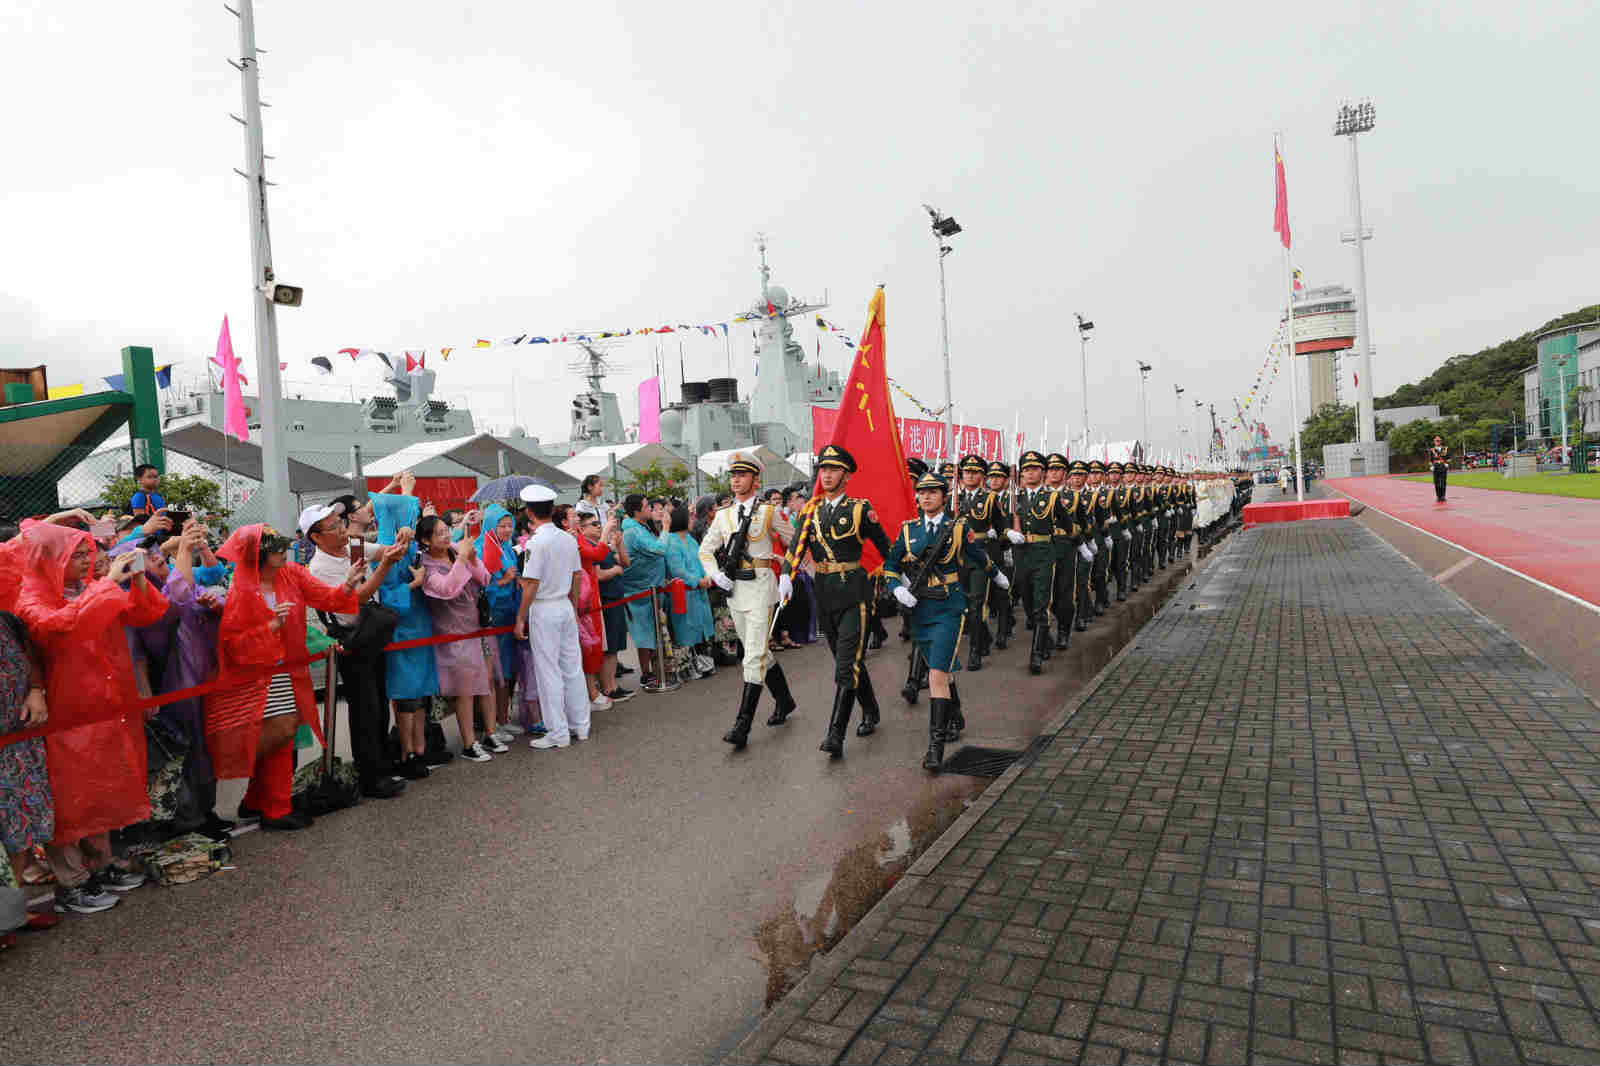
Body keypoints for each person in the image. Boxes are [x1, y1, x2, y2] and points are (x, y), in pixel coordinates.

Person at [17, 523, 169, 908]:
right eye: (78, 555)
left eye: (88, 553)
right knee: (68, 799)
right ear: (51, 559)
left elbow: (147, 612)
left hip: (105, 704)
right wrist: (105, 585)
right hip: (64, 712)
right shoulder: (31, 595)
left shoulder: (88, 586)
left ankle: (100, 864)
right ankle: (71, 880)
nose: (88, 561)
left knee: (103, 789)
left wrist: (135, 581)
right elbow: (58, 625)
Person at [205, 524, 365, 830]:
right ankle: (263, 799)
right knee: (282, 731)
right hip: (255, 673)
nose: (283, 551)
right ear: (258, 554)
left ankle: (265, 803)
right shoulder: (242, 589)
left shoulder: (292, 573)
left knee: (283, 735)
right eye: (276, 547)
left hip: (284, 668)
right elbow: (233, 644)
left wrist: (347, 585)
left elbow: (327, 598)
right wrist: (271, 628)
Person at [782, 444, 892, 756]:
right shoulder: (811, 510)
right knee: (849, 660)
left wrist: (901, 580)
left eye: (833, 470)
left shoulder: (859, 509)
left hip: (854, 592)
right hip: (824, 592)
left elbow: (886, 547)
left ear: (846, 475)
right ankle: (870, 709)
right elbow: (795, 548)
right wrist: (784, 578)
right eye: (823, 470)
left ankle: (835, 734)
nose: (826, 475)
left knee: (846, 664)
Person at [884, 472, 999, 771]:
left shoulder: (958, 528)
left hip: (949, 606)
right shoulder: (908, 530)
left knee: (935, 673)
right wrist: (896, 587)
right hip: (920, 608)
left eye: (933, 492)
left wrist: (996, 574)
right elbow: (891, 565)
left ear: (944, 497)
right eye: (921, 493)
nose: (926, 497)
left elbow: (977, 555)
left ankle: (934, 748)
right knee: (943, 669)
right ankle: (956, 715)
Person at [302, 500, 408, 795]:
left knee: (379, 702)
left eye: (339, 523)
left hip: (371, 634)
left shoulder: (352, 546)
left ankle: (382, 766)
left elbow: (384, 551)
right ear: (316, 537)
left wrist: (397, 545)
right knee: (365, 708)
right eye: (333, 527)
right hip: (353, 639)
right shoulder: (320, 567)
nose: (340, 530)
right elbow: (357, 598)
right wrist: (385, 565)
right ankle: (371, 776)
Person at [700, 453, 796, 749]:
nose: (736, 479)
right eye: (733, 475)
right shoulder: (724, 515)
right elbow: (705, 550)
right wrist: (716, 575)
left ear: (756, 479)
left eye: (742, 475)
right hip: (736, 591)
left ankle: (742, 726)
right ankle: (785, 700)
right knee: (760, 653)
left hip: (762, 588)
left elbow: (796, 542)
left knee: (752, 657)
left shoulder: (768, 512)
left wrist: (787, 573)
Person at [415, 513, 501, 762]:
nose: (446, 536)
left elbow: (485, 578)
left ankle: (491, 732)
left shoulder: (455, 550)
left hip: (477, 628)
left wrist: (471, 557)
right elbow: (447, 590)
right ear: (425, 540)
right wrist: (463, 558)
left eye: (446, 531)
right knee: (465, 690)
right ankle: (468, 742)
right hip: (453, 634)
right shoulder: (426, 566)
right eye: (439, 533)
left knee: (486, 682)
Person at [371, 491, 443, 776]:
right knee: (405, 698)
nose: (412, 522)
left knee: (421, 694)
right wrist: (414, 585)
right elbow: (385, 597)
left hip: (420, 628)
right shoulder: (385, 551)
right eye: (409, 514)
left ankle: (421, 749)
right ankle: (406, 753)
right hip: (402, 631)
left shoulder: (411, 550)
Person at [514, 484, 590, 749]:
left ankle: (558, 732)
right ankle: (580, 726)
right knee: (572, 667)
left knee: (549, 672)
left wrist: (520, 618)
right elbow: (577, 575)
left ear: (529, 512)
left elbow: (531, 584)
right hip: (565, 606)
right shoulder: (567, 538)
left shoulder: (537, 542)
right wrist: (573, 604)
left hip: (544, 607)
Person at [1, 609, 56, 920]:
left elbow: (32, 656)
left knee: (19, 830)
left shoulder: (7, 620)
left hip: (19, 743)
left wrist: (36, 690)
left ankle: (8, 916)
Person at [1009, 451, 1072, 674]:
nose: (1030, 473)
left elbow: (1067, 523)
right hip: (1022, 554)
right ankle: (1045, 640)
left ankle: (1036, 656)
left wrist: (1074, 543)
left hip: (1044, 553)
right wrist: (1008, 532)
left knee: (1041, 603)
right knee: (1026, 600)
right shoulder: (1015, 498)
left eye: (1034, 469)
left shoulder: (1052, 498)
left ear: (1042, 472)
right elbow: (1004, 523)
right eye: (1026, 469)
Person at [952, 453, 1004, 671]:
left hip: (980, 556)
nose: (970, 475)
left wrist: (1005, 544)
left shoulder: (990, 498)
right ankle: (984, 636)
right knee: (962, 606)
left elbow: (1002, 527)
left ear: (982, 475)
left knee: (976, 603)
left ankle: (975, 652)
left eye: (975, 472)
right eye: (967, 472)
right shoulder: (952, 498)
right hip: (957, 557)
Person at [619, 494, 670, 688]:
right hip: (638, 592)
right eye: (647, 506)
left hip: (651, 588)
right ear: (636, 511)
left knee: (653, 631)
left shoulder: (640, 527)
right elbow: (659, 549)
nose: (650, 508)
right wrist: (665, 528)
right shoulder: (632, 532)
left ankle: (655, 671)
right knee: (644, 634)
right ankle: (646, 674)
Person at [1430, 436, 1449, 501]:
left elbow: (1449, 458)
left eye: (1439, 441)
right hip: (1436, 467)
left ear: (1441, 441)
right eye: (1436, 441)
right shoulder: (1432, 450)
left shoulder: (1445, 449)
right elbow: (1430, 460)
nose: (1438, 442)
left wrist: (1447, 463)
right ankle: (1438, 496)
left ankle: (1443, 496)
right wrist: (1431, 466)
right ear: (1434, 442)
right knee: (1436, 482)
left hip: (1443, 466)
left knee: (1443, 482)